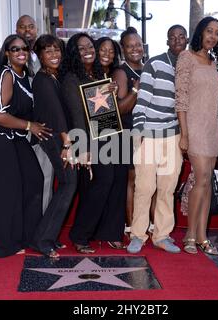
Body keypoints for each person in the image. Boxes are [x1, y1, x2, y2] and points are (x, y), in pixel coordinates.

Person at [0, 34, 52, 258]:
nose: (20, 52)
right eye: (15, 49)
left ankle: (29, 236)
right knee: (4, 189)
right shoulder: (5, 74)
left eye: (24, 48)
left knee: (34, 178)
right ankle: (5, 245)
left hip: (10, 133)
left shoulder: (25, 75)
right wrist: (29, 126)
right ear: (7, 53)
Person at [60, 33, 125, 253]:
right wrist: (83, 148)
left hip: (106, 135)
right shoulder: (71, 78)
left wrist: (112, 92)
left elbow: (103, 109)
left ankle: (89, 232)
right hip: (90, 141)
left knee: (107, 183)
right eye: (81, 48)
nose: (88, 50)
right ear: (74, 53)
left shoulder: (96, 74)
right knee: (102, 183)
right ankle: (79, 235)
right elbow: (77, 116)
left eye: (90, 46)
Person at [127, 25, 188, 254]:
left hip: (173, 135)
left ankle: (162, 235)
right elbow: (142, 99)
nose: (177, 40)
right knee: (144, 187)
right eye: (173, 37)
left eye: (181, 36)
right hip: (149, 135)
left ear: (187, 39)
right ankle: (137, 235)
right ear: (167, 40)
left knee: (167, 188)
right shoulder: (155, 63)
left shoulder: (188, 66)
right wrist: (138, 131)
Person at [175, 16, 218, 255]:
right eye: (209, 31)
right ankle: (189, 235)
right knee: (201, 179)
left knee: (206, 182)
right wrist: (184, 134)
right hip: (193, 127)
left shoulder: (214, 62)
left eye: (217, 32)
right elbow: (181, 98)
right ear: (200, 32)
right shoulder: (186, 57)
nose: (213, 36)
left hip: (212, 128)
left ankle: (203, 236)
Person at [30, 34, 78, 258]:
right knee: (68, 184)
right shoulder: (42, 79)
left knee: (67, 185)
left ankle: (47, 236)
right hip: (55, 139)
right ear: (39, 55)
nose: (54, 55)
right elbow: (57, 116)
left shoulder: (53, 77)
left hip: (60, 138)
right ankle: (42, 239)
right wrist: (67, 145)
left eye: (56, 49)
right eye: (48, 51)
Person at [112, 27, 145, 235]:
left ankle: (147, 222)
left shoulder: (149, 68)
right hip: (129, 132)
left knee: (150, 179)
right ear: (123, 49)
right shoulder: (121, 72)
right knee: (132, 179)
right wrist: (136, 89)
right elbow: (121, 108)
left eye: (138, 44)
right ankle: (131, 225)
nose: (135, 49)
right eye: (130, 45)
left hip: (150, 131)